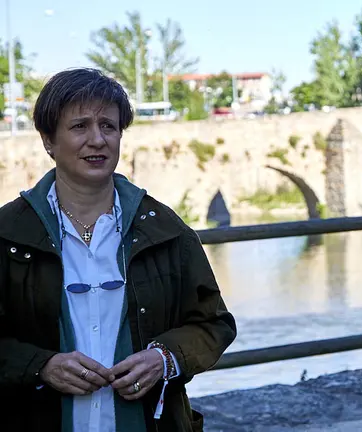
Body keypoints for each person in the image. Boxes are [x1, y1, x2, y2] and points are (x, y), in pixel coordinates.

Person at [0, 68, 237, 431]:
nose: (97, 139)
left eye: (108, 126)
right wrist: (41, 366)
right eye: (80, 126)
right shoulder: (8, 233)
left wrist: (164, 358)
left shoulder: (164, 228)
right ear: (48, 141)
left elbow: (213, 323)